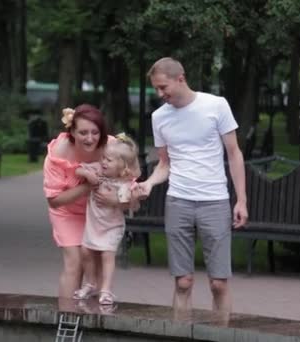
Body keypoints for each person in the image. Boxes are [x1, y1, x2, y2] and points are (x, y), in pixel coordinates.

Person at [136, 57, 248, 315]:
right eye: (156, 89)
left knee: (218, 283)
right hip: (178, 201)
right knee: (183, 283)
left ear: (181, 78)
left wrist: (241, 200)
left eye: (163, 87)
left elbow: (234, 153)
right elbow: (165, 163)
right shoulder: (159, 117)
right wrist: (150, 183)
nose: (160, 94)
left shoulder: (216, 106)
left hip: (215, 201)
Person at [43, 104, 110, 299]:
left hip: (97, 212)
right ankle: (66, 318)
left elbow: (132, 174)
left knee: (95, 266)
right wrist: (88, 186)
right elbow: (54, 201)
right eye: (83, 132)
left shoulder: (111, 147)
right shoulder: (58, 153)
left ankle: (92, 320)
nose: (90, 138)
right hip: (67, 211)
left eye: (95, 132)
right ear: (72, 131)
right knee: (75, 262)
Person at [71, 133, 141, 306]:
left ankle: (106, 290)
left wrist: (115, 200)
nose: (103, 162)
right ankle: (90, 283)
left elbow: (129, 206)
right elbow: (77, 168)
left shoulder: (124, 184)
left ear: (121, 166)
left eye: (108, 160)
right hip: (93, 224)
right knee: (86, 252)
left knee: (107, 256)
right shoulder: (97, 171)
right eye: (103, 158)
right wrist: (88, 175)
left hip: (112, 226)